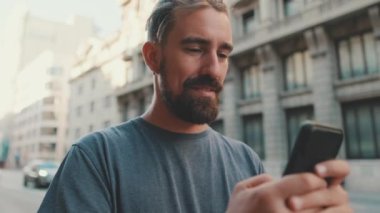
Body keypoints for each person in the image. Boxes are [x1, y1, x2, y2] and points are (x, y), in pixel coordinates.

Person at [38, 0, 351, 212]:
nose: (214, 69)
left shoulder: (246, 161)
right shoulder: (95, 159)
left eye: (224, 54)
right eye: (194, 48)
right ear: (152, 57)